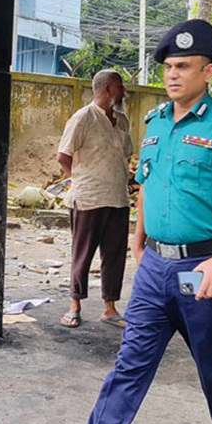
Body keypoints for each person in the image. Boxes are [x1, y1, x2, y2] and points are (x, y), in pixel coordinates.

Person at [36, 19, 212, 424]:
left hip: (202, 269)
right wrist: (139, 241)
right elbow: (147, 183)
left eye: (184, 66)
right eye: (168, 67)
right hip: (156, 268)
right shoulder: (156, 123)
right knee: (129, 364)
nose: (173, 74)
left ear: (209, 72)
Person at [57, 69, 134, 329]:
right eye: (120, 86)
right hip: (89, 198)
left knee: (114, 256)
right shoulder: (83, 118)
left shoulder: (122, 121)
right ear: (109, 89)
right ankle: (74, 305)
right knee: (83, 254)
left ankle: (110, 308)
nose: (124, 92)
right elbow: (63, 156)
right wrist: (77, 179)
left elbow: (125, 155)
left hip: (118, 198)